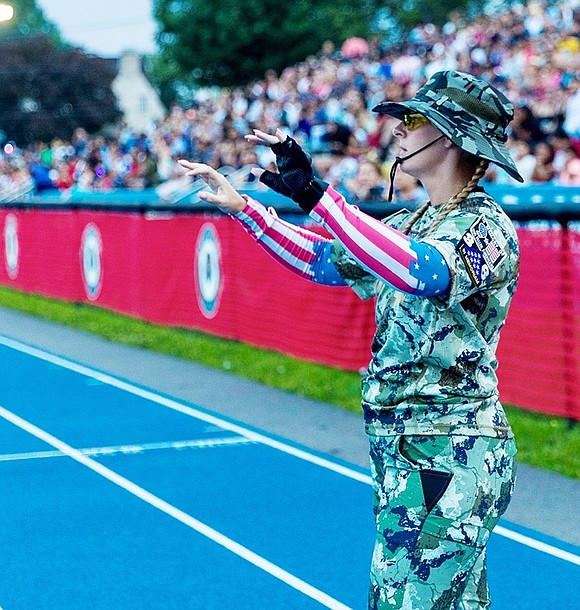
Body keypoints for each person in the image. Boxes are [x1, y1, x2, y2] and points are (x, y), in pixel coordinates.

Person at [179, 70, 522, 610]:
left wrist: (320, 197)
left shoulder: (486, 227)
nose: (399, 132)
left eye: (414, 120)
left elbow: (421, 271)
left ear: (453, 136)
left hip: (452, 448)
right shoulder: (416, 221)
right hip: (408, 446)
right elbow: (323, 262)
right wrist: (247, 211)